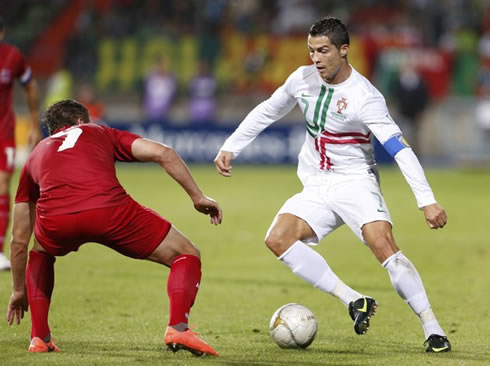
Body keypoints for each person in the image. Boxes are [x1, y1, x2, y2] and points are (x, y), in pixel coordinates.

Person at [214, 17, 451, 353]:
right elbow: (269, 110)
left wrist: (426, 200)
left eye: (323, 50)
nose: (316, 58)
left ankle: (433, 328)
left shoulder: (365, 97)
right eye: (311, 50)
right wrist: (231, 146)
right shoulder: (302, 79)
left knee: (382, 245)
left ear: (344, 50)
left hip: (356, 181)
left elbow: (400, 149)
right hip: (316, 183)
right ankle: (354, 300)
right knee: (277, 239)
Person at [6, 100, 221, 356]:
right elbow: (164, 153)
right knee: (186, 253)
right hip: (109, 211)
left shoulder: (36, 154)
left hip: (57, 222)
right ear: (80, 122)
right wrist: (197, 197)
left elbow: (19, 239)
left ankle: (39, 337)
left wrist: (19, 291)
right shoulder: (98, 131)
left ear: (53, 130)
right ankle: (178, 327)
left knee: (40, 250)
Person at [0, 17, 42, 271]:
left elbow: (30, 86)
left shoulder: (12, 56)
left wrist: (35, 125)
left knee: (3, 183)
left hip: (3, 131)